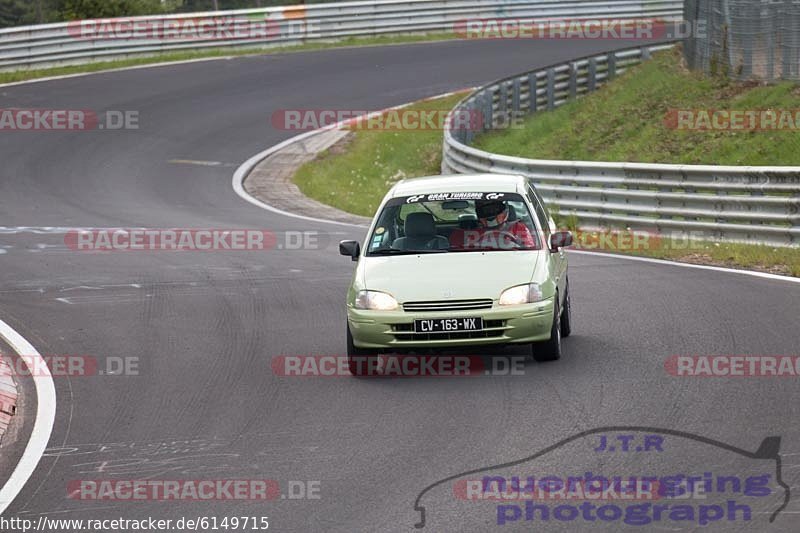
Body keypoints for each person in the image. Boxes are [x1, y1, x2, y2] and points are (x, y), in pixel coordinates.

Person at [449, 200, 537, 250]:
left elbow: (530, 252)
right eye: (484, 211)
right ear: (478, 213)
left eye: (494, 209)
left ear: (505, 210)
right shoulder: (462, 234)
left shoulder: (519, 228)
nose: (490, 214)